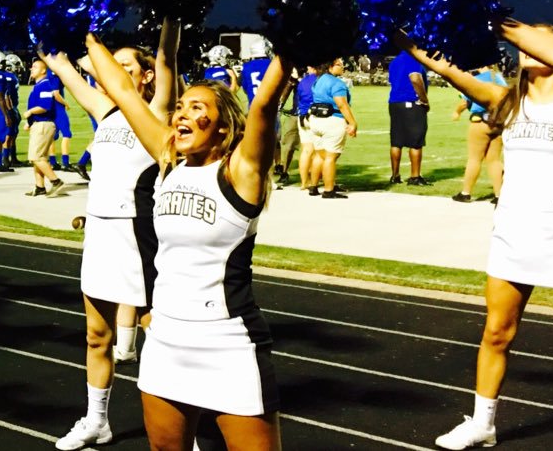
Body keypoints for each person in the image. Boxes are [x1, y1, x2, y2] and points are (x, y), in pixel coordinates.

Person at [391, 23, 553, 450]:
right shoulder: (505, 101)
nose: (527, 49)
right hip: (513, 233)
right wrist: (412, 43)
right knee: (496, 332)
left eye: (539, 42)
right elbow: (449, 70)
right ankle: (483, 424)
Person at [93, 31, 290, 450]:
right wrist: (83, 33)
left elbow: (263, 105)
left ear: (223, 127)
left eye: (197, 108)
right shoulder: (168, 162)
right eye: (180, 106)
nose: (181, 114)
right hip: (165, 339)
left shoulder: (241, 172)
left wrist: (291, 50)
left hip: (227, 342)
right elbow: (124, 92)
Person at [40, 19, 180, 450]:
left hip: (136, 234)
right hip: (99, 233)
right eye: (111, 66)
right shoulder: (105, 111)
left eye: (125, 67)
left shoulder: (158, 112)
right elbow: (64, 67)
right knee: (96, 336)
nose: (112, 73)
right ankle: (97, 420)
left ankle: (186, 430)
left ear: (147, 76)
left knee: (163, 340)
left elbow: (167, 56)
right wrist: (39, 25)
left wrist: (173, 15)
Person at [450, 64, 509, 204]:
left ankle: (465, 193)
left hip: (480, 121)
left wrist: (457, 112)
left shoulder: (476, 80)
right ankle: (499, 195)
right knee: (494, 160)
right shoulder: (499, 78)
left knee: (474, 158)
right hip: (498, 123)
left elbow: (465, 102)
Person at [303, 58, 357, 198]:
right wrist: (352, 123)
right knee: (330, 157)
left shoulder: (318, 80)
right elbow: (342, 104)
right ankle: (328, 190)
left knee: (319, 155)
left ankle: (313, 186)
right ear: (330, 67)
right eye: (339, 65)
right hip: (332, 120)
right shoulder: (337, 83)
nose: (342, 67)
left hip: (316, 120)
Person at [22, 60, 66, 197]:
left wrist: (30, 112)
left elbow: (45, 106)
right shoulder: (39, 85)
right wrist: (30, 122)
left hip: (43, 125)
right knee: (39, 158)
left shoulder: (45, 85)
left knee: (36, 157)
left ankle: (55, 181)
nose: (31, 69)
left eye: (35, 67)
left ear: (43, 70)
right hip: (39, 124)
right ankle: (40, 187)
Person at [388, 50, 432, 186]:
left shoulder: (394, 61)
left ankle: (395, 175)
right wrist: (424, 100)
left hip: (395, 102)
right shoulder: (413, 59)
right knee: (416, 141)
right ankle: (415, 176)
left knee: (396, 141)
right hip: (412, 101)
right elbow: (415, 78)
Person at [275, 66, 312, 186]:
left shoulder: (317, 76)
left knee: (315, 146)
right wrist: (292, 80)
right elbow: (284, 93)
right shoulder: (296, 76)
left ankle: (314, 175)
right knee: (288, 144)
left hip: (314, 114)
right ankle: (284, 172)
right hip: (297, 114)